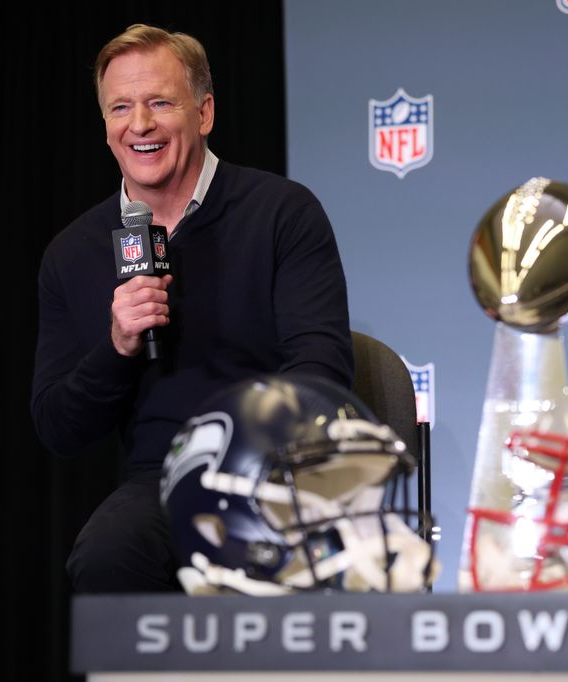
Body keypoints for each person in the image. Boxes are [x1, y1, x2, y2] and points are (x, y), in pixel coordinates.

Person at [31, 24, 353, 592]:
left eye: (160, 103)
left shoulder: (282, 212)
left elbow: (320, 370)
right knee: (107, 555)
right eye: (120, 108)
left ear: (204, 114)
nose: (140, 125)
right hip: (161, 479)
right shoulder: (72, 253)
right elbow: (58, 426)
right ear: (105, 126)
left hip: (278, 470)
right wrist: (118, 348)